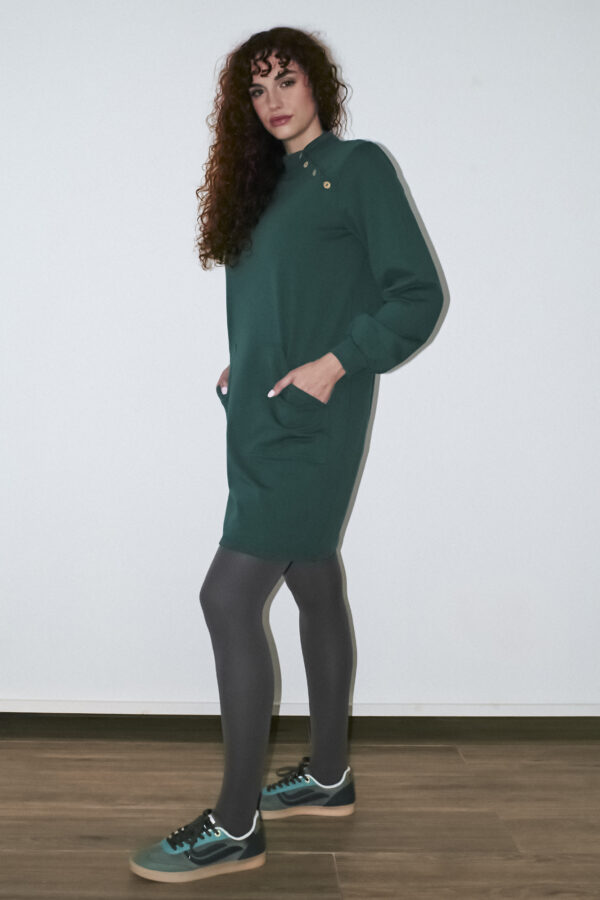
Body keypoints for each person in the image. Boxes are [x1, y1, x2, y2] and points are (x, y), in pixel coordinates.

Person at [129, 25, 444, 885]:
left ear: (319, 85)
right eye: (257, 89)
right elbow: (286, 295)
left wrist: (335, 364)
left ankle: (236, 825)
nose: (272, 100)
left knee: (226, 597)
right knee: (314, 580)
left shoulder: (357, 168)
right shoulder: (264, 188)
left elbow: (416, 293)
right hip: (260, 414)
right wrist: (251, 358)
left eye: (286, 80)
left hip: (313, 421)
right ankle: (330, 775)